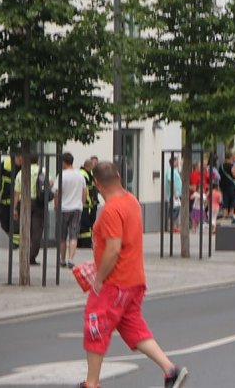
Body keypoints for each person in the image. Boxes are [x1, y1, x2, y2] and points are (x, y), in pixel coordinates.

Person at [79, 162, 188, 388]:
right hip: (134, 279)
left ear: (98, 185)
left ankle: (91, 383)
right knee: (133, 327)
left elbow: (113, 248)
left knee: (95, 326)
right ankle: (170, 370)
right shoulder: (132, 201)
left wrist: (99, 277)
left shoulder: (111, 210)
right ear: (119, 176)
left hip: (114, 282)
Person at [53, 152, 87, 268]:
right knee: (73, 234)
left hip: (63, 208)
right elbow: (84, 192)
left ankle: (62, 259)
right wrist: (82, 204)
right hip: (76, 208)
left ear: (64, 162)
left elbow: (57, 192)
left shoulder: (61, 175)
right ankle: (71, 259)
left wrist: (56, 205)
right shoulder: (80, 176)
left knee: (62, 236)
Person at [12, 158, 48, 266]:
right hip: (38, 203)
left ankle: (24, 255)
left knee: (25, 229)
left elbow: (17, 193)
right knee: (37, 231)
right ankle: (31, 256)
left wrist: (14, 208)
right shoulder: (42, 170)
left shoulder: (21, 172)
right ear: (38, 161)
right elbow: (50, 183)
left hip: (23, 202)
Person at [0, 154, 22, 247]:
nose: (20, 159)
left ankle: (15, 245)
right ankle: (8, 243)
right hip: (4, 201)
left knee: (16, 224)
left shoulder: (26, 166)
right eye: (18, 157)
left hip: (18, 201)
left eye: (21, 157)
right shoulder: (5, 164)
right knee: (4, 223)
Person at [78, 157, 100, 249]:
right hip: (87, 205)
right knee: (85, 225)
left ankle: (83, 242)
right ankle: (85, 243)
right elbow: (86, 190)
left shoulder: (88, 174)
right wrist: (89, 202)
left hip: (89, 204)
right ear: (89, 166)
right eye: (93, 165)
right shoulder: (83, 174)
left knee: (87, 224)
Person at [164, 156, 182, 231]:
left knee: (176, 210)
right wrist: (175, 193)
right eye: (176, 161)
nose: (178, 163)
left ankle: (174, 226)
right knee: (174, 210)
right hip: (173, 195)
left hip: (177, 194)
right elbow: (171, 181)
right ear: (173, 162)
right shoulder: (170, 171)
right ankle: (172, 227)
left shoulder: (175, 170)